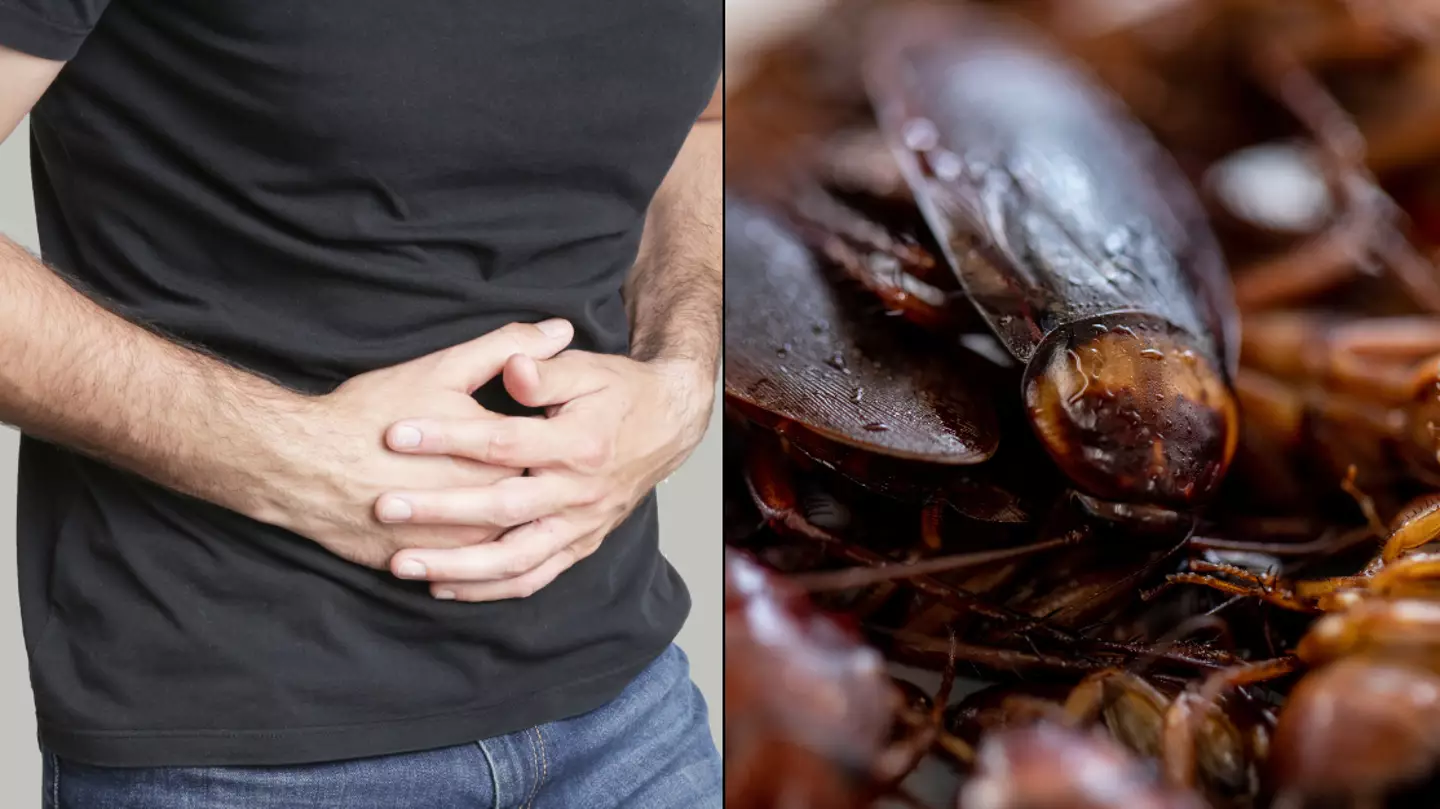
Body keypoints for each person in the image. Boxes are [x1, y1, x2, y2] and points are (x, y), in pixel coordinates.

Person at [0, 1, 721, 806]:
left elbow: (705, 118)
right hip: (239, 741)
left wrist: (683, 377)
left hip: (628, 713)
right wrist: (288, 456)